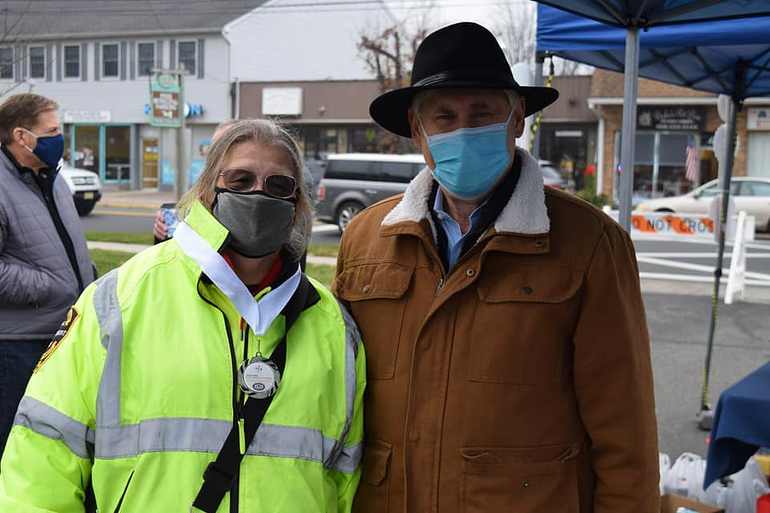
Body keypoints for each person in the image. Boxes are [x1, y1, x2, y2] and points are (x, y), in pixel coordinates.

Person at [332, 22, 659, 512]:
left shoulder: (590, 244)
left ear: (517, 117)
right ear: (417, 130)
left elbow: (625, 432)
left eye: (482, 113)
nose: (463, 131)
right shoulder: (364, 239)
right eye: (444, 117)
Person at [0, 119, 365, 512]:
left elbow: (345, 475)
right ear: (206, 191)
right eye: (240, 180)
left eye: (278, 185)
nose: (259, 193)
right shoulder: (120, 299)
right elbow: (43, 453)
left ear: (297, 205)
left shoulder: (332, 324)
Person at [0, 93, 96, 457]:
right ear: (21, 136)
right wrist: (53, 287)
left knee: (52, 445)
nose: (61, 138)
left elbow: (64, 246)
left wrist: (87, 278)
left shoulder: (52, 178)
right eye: (52, 131)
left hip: (63, 333)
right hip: (16, 346)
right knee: (13, 447)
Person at [153, 120, 236, 243]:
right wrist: (162, 234)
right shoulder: (203, 192)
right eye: (213, 148)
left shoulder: (251, 199)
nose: (216, 155)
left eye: (224, 147)